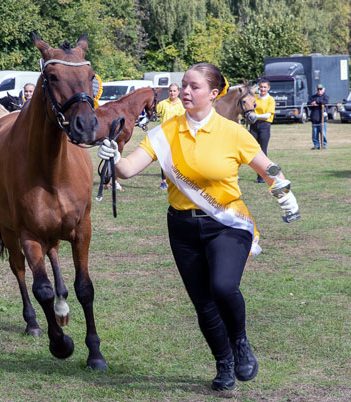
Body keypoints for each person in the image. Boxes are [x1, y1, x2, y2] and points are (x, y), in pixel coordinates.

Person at [97, 62, 300, 391]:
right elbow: (128, 170)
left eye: (194, 87)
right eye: (184, 85)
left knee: (222, 287)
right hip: (182, 229)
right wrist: (113, 157)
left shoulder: (233, 133)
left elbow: (267, 167)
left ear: (214, 93)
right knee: (203, 302)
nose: (186, 92)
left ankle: (241, 344)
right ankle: (224, 363)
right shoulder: (164, 132)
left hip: (226, 224)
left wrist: (284, 192)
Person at [155, 83, 185, 190]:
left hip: (176, 136)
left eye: (174, 91)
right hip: (163, 135)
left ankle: (176, 180)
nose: (172, 93)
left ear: (178, 92)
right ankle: (163, 181)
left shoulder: (181, 106)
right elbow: (155, 111)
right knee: (164, 159)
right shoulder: (163, 103)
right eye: (170, 91)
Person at [247, 78, 275, 182]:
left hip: (264, 126)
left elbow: (268, 115)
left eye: (264, 87)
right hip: (254, 125)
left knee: (263, 151)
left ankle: (263, 177)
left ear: (268, 88)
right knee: (253, 150)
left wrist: (256, 116)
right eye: (261, 87)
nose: (262, 89)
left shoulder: (270, 100)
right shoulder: (254, 97)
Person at [308, 84, 328, 149]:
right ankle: (316, 145)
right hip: (314, 118)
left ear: (323, 90)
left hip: (322, 119)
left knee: (323, 134)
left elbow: (325, 102)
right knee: (314, 134)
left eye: (321, 89)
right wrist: (312, 103)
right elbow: (308, 103)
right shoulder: (313, 97)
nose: (319, 90)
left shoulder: (325, 97)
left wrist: (317, 102)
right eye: (318, 89)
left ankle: (324, 145)